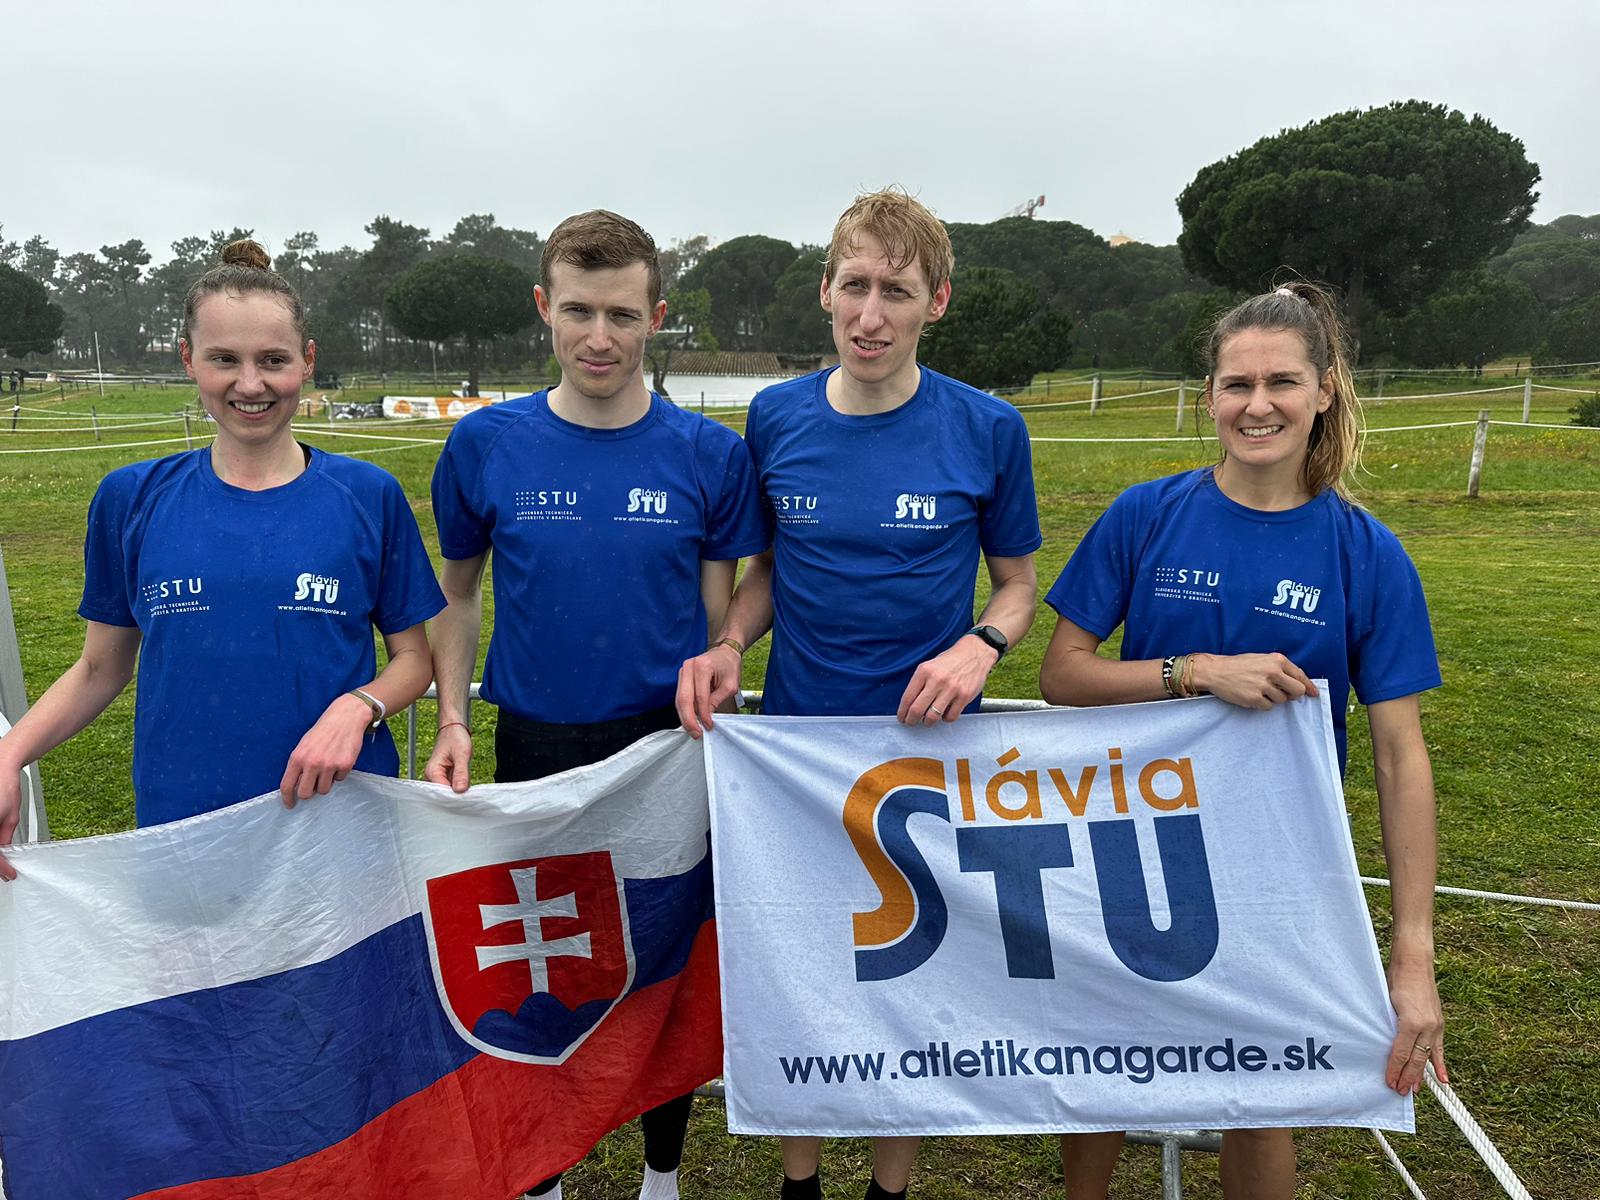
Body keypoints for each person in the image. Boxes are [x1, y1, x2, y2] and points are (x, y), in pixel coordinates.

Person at [1039, 282, 1447, 1200]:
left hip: (1279, 867)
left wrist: (1412, 957)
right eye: (1237, 385)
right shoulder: (1147, 514)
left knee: (1261, 1093)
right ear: (1210, 395)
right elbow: (1064, 674)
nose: (1258, 406)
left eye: (1282, 382)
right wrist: (1195, 671)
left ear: (1325, 390)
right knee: (1109, 1072)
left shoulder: (1366, 552)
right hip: (1134, 846)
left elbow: (1400, 759)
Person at [676, 188, 1042, 1200]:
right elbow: (766, 570)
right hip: (796, 757)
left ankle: (890, 1188)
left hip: (927, 758)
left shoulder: (987, 427)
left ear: (937, 302)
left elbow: (1018, 585)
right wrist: (729, 642)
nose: (871, 315)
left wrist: (980, 646)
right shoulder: (776, 416)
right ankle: (799, 1183)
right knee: (801, 971)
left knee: (910, 980)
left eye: (897, 291)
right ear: (825, 291)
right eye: (855, 286)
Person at [425, 209, 768, 1200]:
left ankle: (662, 1175)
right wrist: (453, 718)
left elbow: (717, 612)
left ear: (656, 316)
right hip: (534, 742)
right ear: (545, 306)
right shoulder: (486, 443)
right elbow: (456, 595)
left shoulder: (708, 455)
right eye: (578, 311)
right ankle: (543, 1173)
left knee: (660, 967)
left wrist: (722, 662)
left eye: (622, 314)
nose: (599, 337)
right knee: (536, 966)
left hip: (664, 748)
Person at [0, 239, 444, 879]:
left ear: (307, 360)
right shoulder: (130, 498)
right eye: (224, 359)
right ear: (188, 359)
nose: (251, 384)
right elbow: (100, 667)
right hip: (185, 824)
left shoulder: (368, 494)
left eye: (273, 360)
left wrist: (358, 707)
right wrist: (10, 755)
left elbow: (413, 659)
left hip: (340, 821)